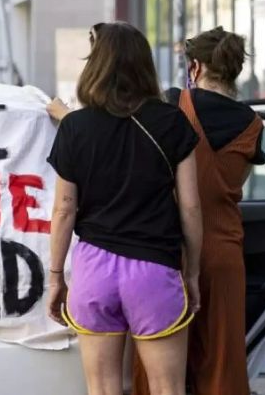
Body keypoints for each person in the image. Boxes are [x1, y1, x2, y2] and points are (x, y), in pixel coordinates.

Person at [46, 22, 203, 395]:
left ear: (95, 66)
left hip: (93, 270)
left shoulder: (75, 128)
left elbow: (64, 211)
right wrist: (193, 273)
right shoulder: (172, 123)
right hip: (154, 270)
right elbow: (191, 208)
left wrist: (55, 277)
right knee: (167, 388)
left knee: (102, 387)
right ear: (143, 66)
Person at [132, 27, 265, 395]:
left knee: (159, 368)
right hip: (224, 253)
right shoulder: (253, 124)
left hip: (169, 249)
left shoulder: (173, 104)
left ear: (194, 67)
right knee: (222, 363)